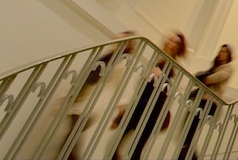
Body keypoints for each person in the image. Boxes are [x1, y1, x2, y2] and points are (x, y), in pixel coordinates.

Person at [45, 31, 137, 160]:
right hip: (82, 103)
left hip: (92, 106)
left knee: (69, 142)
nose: (116, 41)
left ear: (127, 45)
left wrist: (119, 111)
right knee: (70, 142)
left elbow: (122, 89)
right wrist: (67, 97)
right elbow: (87, 79)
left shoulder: (122, 64)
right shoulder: (107, 57)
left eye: (122, 40)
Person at [112, 31, 187, 160]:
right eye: (170, 39)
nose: (171, 43)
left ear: (179, 47)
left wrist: (161, 77)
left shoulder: (176, 65)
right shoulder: (159, 57)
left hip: (154, 109)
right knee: (118, 143)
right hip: (141, 103)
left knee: (136, 147)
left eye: (175, 42)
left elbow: (172, 88)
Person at [177, 44, 234, 160]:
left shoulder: (228, 68)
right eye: (220, 51)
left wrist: (204, 78)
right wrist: (203, 77)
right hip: (199, 101)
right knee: (186, 133)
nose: (221, 54)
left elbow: (217, 77)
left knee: (189, 133)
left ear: (229, 56)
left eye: (224, 52)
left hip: (209, 103)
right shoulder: (214, 67)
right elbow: (199, 80)